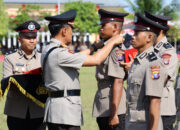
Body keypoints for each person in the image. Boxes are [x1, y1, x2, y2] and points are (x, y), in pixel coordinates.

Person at [42, 9, 124, 130]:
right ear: (64, 31)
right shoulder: (60, 53)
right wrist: (111, 42)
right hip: (64, 113)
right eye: (71, 30)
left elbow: (75, 57)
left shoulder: (50, 49)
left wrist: (94, 47)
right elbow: (96, 60)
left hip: (58, 110)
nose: (72, 33)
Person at [125, 13, 167, 130]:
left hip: (145, 125)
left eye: (137, 33)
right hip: (133, 123)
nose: (133, 36)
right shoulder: (138, 61)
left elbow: (155, 102)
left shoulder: (153, 64)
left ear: (149, 37)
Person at [3, 21, 45, 130]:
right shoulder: (10, 58)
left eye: (34, 37)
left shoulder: (43, 58)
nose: (32, 40)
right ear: (19, 40)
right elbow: (7, 83)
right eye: (27, 37)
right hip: (16, 111)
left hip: (38, 111)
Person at [92, 9, 128, 130]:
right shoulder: (108, 47)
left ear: (115, 27)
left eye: (103, 25)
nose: (100, 28)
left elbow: (118, 81)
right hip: (105, 105)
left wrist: (113, 114)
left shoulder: (115, 51)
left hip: (111, 109)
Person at [145, 11, 178, 130]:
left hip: (163, 108)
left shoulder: (167, 51)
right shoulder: (150, 49)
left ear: (158, 30)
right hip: (149, 105)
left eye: (149, 29)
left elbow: (160, 79)